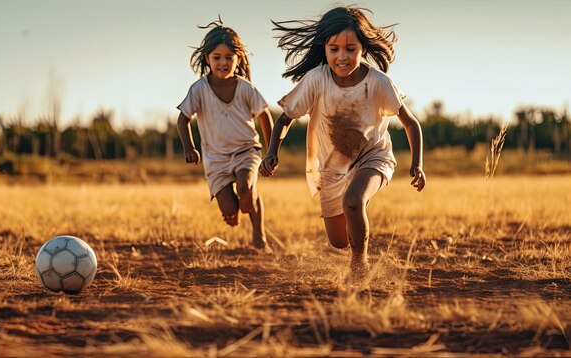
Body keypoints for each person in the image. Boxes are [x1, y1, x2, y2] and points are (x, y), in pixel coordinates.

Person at [259, 6, 426, 276]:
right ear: (324, 49)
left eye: (350, 48)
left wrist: (417, 164)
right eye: (334, 49)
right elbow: (285, 119)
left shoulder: (379, 82)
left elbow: (411, 123)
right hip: (332, 167)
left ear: (363, 48)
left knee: (352, 201)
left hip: (374, 157)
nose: (342, 57)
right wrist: (271, 152)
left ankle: (359, 265)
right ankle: (356, 215)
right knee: (338, 241)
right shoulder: (315, 80)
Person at [177, 19, 273, 251]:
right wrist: (189, 148)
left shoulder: (245, 87)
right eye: (217, 57)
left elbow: (264, 116)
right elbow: (182, 119)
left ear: (238, 59)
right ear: (207, 58)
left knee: (244, 189)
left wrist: (270, 153)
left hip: (246, 151)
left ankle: (259, 237)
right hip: (215, 159)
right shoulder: (198, 89)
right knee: (230, 211)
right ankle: (236, 207)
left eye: (229, 57)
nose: (223, 62)